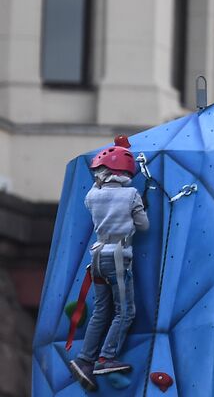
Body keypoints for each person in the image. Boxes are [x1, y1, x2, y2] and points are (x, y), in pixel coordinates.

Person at [69, 145, 149, 390]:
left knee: (101, 311)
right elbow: (143, 225)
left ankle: (84, 360)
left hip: (97, 259)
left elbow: (96, 191)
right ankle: (106, 357)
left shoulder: (92, 196)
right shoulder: (131, 194)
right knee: (125, 312)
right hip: (118, 258)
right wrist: (140, 208)